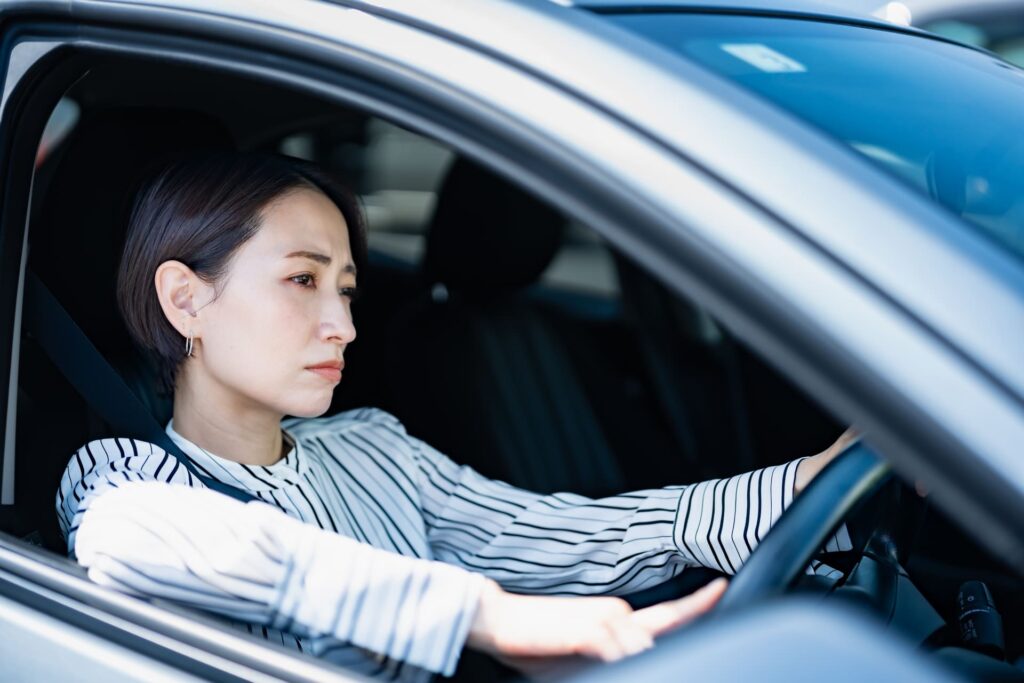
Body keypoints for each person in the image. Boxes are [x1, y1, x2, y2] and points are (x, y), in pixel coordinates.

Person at [56, 152, 852, 682]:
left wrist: (805, 484)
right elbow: (164, 541)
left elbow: (557, 533)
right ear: (184, 298)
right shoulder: (124, 477)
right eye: (303, 280)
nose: (345, 325)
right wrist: (489, 616)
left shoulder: (372, 445)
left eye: (348, 288)